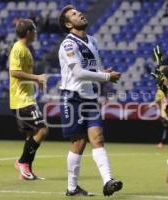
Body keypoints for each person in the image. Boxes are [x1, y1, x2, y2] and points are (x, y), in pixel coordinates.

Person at [58, 5, 123, 196]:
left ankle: (108, 181)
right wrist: (105, 77)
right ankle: (71, 188)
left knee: (98, 138)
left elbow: (94, 71)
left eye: (79, 12)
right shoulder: (68, 44)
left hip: (90, 98)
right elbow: (77, 73)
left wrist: (105, 76)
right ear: (69, 24)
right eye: (74, 14)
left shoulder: (92, 41)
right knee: (79, 143)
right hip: (72, 97)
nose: (80, 14)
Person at [9, 19, 48, 180]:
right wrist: (36, 77)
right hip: (22, 99)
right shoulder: (19, 49)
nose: (36, 33)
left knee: (30, 135)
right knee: (43, 129)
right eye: (35, 30)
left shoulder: (25, 49)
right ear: (28, 32)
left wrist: (35, 81)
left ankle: (26, 172)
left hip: (26, 97)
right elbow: (14, 72)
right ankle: (22, 161)